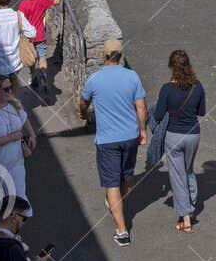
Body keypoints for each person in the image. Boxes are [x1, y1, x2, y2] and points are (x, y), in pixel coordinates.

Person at [79, 44, 147, 246]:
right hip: (129, 136)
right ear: (120, 55)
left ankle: (121, 230)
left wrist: (84, 113)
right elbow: (141, 106)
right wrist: (142, 129)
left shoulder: (95, 79)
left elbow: (83, 102)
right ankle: (117, 203)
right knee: (126, 176)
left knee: (111, 183)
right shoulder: (132, 76)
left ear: (105, 55)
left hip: (107, 139)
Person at [152, 49, 206, 233]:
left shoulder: (167, 89)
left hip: (174, 136)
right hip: (193, 134)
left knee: (177, 176)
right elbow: (201, 112)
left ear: (171, 67)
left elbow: (158, 115)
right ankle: (189, 208)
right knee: (189, 171)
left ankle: (186, 218)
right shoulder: (197, 87)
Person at [17, 0, 62, 96]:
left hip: (29, 37)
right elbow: (56, 2)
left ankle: (34, 77)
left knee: (32, 58)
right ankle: (44, 75)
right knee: (42, 57)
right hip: (40, 34)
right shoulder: (42, 0)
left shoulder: (22, 5)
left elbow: (20, 22)